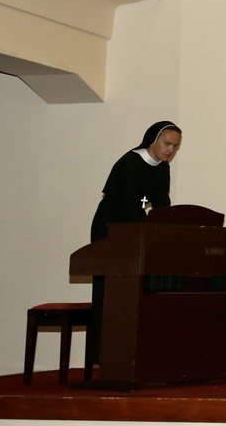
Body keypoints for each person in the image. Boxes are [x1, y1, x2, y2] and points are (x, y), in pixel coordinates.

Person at [88, 121, 182, 363]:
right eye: (167, 144)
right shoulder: (131, 162)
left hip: (134, 230)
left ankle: (136, 353)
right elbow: (131, 204)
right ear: (153, 140)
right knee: (110, 291)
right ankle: (104, 355)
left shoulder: (162, 168)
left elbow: (162, 204)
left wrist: (170, 230)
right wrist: (148, 232)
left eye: (175, 146)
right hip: (110, 228)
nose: (170, 150)